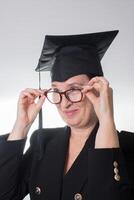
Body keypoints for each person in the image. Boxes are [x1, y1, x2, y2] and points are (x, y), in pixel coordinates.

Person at [0, 30, 134, 200]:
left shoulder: (128, 147)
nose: (64, 103)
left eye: (75, 89)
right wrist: (21, 125)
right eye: (56, 90)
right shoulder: (43, 141)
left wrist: (107, 118)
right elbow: (5, 195)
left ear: (97, 90)